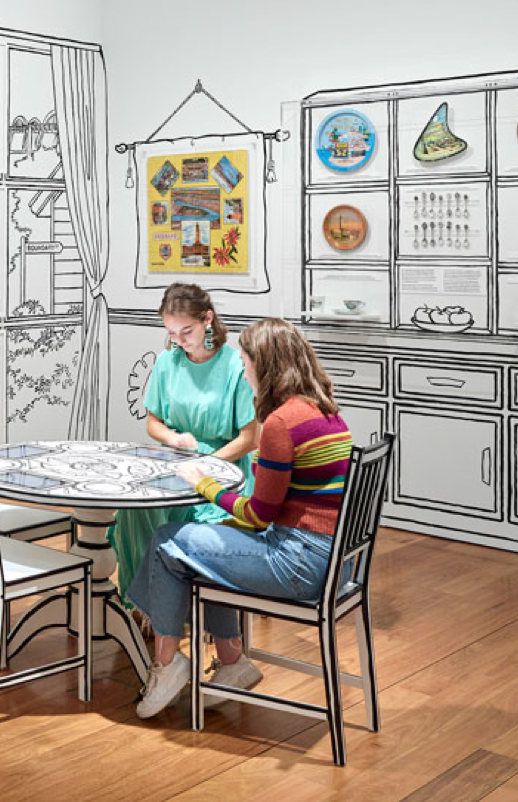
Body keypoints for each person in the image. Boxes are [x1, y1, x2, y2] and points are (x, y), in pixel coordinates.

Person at [126, 317, 353, 719]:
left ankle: (167, 663)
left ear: (264, 365)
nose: (242, 370)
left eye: (245, 362)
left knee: (167, 541)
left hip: (299, 566)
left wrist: (205, 485)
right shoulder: (325, 412)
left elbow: (257, 516)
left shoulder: (281, 423)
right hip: (336, 562)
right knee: (200, 543)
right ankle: (232, 661)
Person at [112, 283, 258, 617]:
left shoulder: (236, 366)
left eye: (186, 331)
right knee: (134, 510)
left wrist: (208, 464)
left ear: (207, 319)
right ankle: (141, 603)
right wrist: (172, 438)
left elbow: (251, 438)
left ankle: (170, 609)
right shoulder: (168, 362)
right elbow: (153, 424)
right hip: (175, 464)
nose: (179, 340)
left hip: (225, 473)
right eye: (172, 333)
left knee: (177, 516)